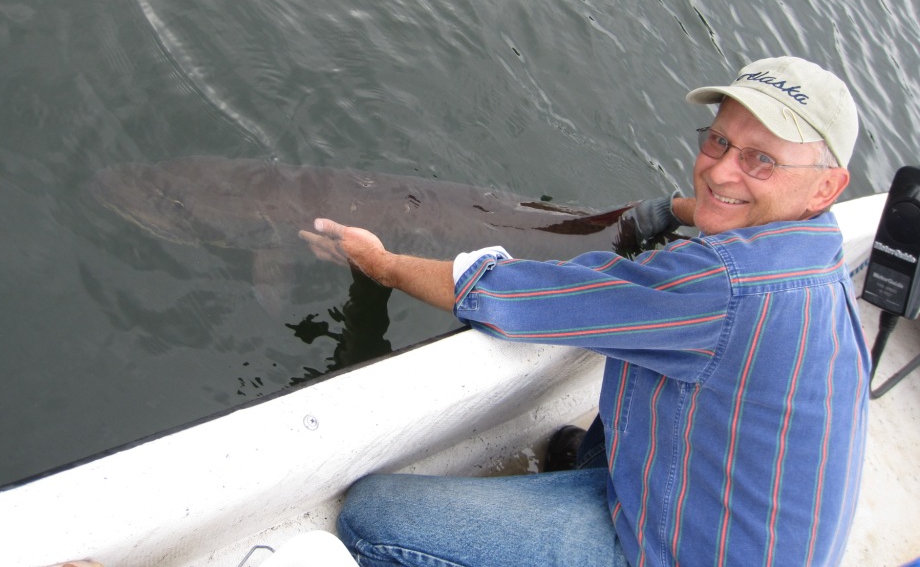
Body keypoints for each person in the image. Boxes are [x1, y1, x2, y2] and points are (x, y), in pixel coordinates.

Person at [300, 56, 869, 567]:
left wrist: (381, 263)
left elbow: (514, 295)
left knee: (371, 519)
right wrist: (676, 210)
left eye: (761, 160)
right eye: (717, 141)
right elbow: (732, 217)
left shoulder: (723, 284)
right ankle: (592, 471)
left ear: (826, 187)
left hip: (672, 553)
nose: (720, 171)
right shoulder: (818, 258)